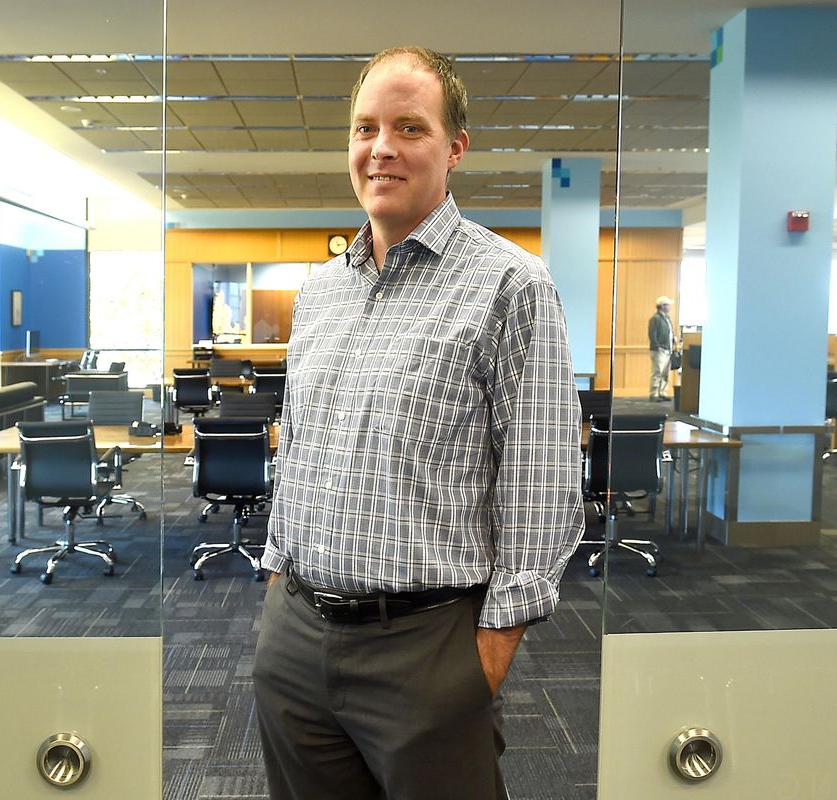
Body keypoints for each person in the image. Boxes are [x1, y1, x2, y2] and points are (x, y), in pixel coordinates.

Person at [251, 46, 585, 800]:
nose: (382, 149)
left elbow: (543, 480)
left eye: (409, 127)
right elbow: (300, 445)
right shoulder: (320, 294)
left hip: (427, 649)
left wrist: (489, 652)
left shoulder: (510, 284)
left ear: (454, 147)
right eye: (365, 129)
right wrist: (277, 582)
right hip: (297, 636)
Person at [648, 295, 676, 402]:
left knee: (665, 373)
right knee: (657, 372)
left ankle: (662, 392)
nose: (669, 307)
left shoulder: (667, 318)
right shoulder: (655, 319)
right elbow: (652, 334)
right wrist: (657, 347)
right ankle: (654, 394)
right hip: (659, 350)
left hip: (668, 349)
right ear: (662, 306)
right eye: (667, 305)